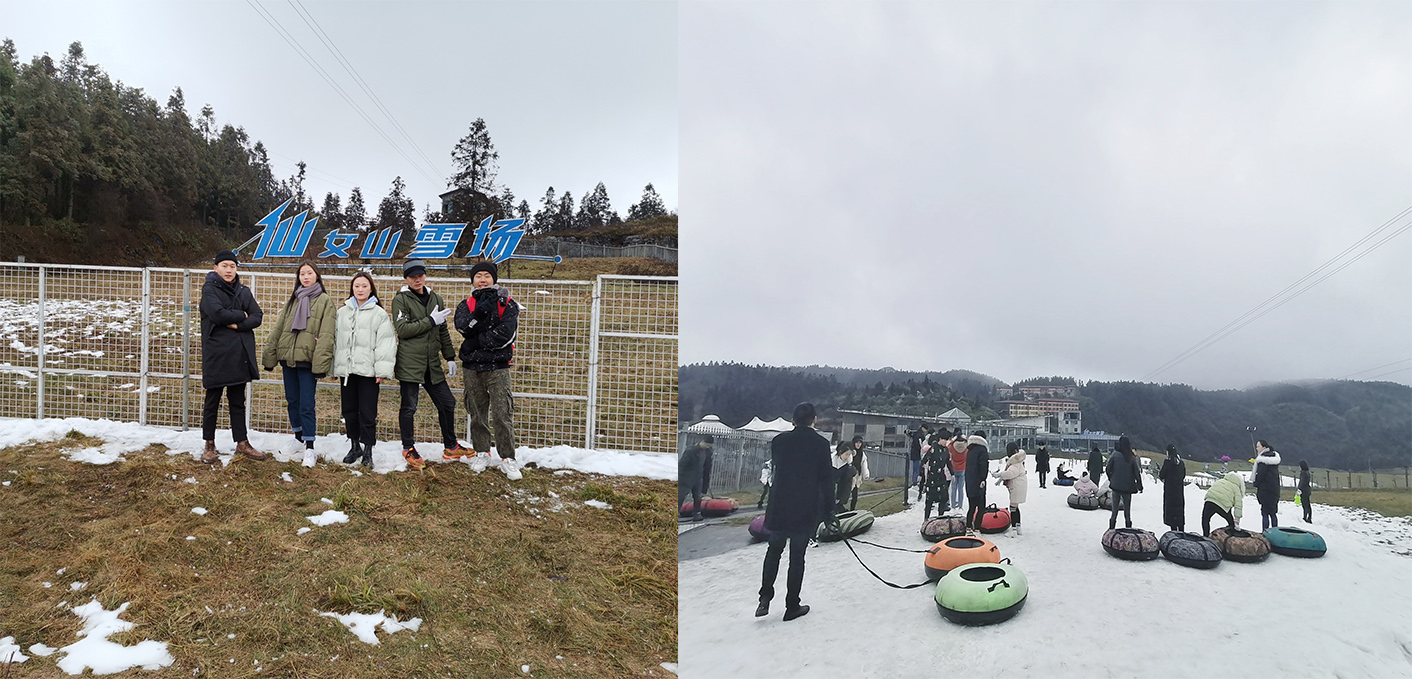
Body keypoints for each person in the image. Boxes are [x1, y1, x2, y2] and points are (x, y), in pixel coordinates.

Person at [757, 403, 833, 622]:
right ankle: (792, 605)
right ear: (814, 420)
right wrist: (829, 510)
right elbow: (826, 481)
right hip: (804, 507)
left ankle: (764, 597)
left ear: (793, 420)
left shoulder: (779, 442)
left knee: (773, 552)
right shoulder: (821, 444)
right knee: (797, 558)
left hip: (780, 505)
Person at [392, 259, 467, 470]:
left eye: (420, 275)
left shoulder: (436, 298)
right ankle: (408, 448)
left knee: (447, 403)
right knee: (409, 407)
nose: (417, 279)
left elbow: (442, 330)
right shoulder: (401, 300)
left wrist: (450, 356)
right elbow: (403, 330)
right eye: (412, 276)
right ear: (406, 278)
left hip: (431, 363)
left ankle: (450, 446)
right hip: (410, 363)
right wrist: (430, 321)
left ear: (425, 275)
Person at [261, 261, 338, 467]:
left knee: (306, 405)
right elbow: (279, 329)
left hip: (308, 361)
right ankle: (297, 438)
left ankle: (310, 447)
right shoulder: (293, 300)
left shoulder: (324, 301)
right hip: (289, 359)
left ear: (317, 276)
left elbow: (327, 334)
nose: (305, 277)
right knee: (292, 401)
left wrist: (320, 365)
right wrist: (270, 356)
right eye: (302, 273)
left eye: (309, 273)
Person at [452, 260, 522, 480]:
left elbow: (506, 334)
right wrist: (479, 316)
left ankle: (508, 457)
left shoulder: (507, 304)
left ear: (494, 279)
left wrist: (476, 341)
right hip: (472, 368)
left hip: (498, 366)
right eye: (478, 276)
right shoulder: (467, 305)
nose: (482, 280)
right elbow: (463, 327)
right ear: (472, 280)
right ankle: (482, 452)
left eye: (487, 276)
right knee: (477, 412)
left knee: (502, 412)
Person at [198, 251, 265, 464]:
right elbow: (216, 314)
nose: (229, 270)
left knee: (238, 401)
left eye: (233, 266)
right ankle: (209, 444)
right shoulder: (209, 290)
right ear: (216, 267)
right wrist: (241, 314)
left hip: (239, 355)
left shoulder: (243, 291)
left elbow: (257, 316)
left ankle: (242, 443)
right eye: (225, 265)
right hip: (217, 355)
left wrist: (237, 323)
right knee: (213, 401)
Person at [331, 271, 396, 469]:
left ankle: (368, 450)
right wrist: (335, 367)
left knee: (367, 413)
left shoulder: (379, 314)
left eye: (364, 286)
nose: (360, 289)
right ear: (352, 288)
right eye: (357, 286)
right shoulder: (343, 312)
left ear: (371, 289)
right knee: (349, 411)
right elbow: (336, 341)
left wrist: (381, 371)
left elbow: (386, 343)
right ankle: (354, 446)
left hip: (368, 373)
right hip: (348, 372)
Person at [1105, 436, 1143, 530]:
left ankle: (1111, 530)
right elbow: (1136, 473)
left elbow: (1107, 469)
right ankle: (1128, 529)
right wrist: (1139, 485)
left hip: (1115, 486)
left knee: (1114, 511)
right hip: (1128, 487)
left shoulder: (1115, 454)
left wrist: (1111, 478)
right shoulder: (1131, 457)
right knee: (1127, 511)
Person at [992, 442, 1027, 536]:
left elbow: (1010, 473)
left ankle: (1014, 529)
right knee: (1015, 507)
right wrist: (1000, 479)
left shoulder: (1015, 462)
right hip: (1018, 486)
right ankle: (1018, 527)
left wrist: (999, 475)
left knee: (1013, 508)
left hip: (1016, 487)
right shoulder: (1018, 460)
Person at [679, 435, 713, 521]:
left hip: (699, 477)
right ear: (702, 442)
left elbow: (707, 467)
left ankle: (697, 513)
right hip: (687, 477)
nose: (707, 447)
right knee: (681, 495)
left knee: (698, 496)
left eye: (709, 446)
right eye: (706, 444)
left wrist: (706, 482)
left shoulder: (708, 452)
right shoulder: (691, 451)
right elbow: (682, 464)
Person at [919, 437, 953, 521]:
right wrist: (921, 473)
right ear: (940, 439)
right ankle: (926, 518)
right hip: (932, 477)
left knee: (943, 498)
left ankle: (940, 517)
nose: (945, 442)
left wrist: (953, 473)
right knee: (929, 499)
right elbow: (924, 460)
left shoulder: (946, 450)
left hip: (941, 476)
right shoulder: (933, 449)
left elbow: (948, 462)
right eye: (944, 440)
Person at [1203, 472, 1245, 536]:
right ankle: (1231, 537)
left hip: (1210, 501)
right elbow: (1238, 505)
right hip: (1223, 505)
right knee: (1231, 523)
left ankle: (1205, 536)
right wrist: (1237, 519)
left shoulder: (1220, 481)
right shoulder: (1236, 488)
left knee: (1205, 519)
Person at [963, 430, 990, 531]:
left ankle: (969, 526)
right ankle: (977, 527)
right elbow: (983, 465)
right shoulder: (982, 450)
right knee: (981, 507)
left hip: (970, 481)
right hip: (979, 482)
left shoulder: (970, 449)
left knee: (972, 507)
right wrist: (983, 478)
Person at [1252, 439, 1282, 530]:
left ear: (1264, 447)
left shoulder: (1263, 460)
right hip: (1275, 490)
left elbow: (1261, 475)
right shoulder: (1274, 458)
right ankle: (1275, 532)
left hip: (1265, 490)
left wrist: (1256, 483)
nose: (1257, 448)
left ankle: (1265, 533)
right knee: (1273, 513)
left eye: (1258, 446)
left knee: (1265, 513)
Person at [1158, 444, 1187, 532]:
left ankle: (1174, 533)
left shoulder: (1168, 462)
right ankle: (1182, 532)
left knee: (1172, 513)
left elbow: (1161, 475)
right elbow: (1183, 475)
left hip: (1170, 492)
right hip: (1179, 491)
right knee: (1179, 512)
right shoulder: (1181, 463)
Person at [831, 441, 856, 513]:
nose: (847, 457)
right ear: (840, 453)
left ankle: (839, 504)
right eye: (846, 454)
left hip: (841, 491)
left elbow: (849, 479)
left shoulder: (848, 465)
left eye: (849, 454)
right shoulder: (832, 461)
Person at [907, 424, 931, 499]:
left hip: (913, 454)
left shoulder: (916, 434)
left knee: (915, 469)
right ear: (923, 428)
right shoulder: (920, 436)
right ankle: (915, 483)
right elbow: (921, 446)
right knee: (917, 469)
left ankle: (914, 482)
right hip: (918, 454)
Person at [948, 430, 968, 512]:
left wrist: (953, 439)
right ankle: (960, 505)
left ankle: (953, 505)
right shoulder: (966, 446)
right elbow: (969, 442)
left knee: (953, 488)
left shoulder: (952, 446)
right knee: (961, 488)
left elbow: (948, 445)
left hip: (953, 468)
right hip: (963, 468)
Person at [847, 435, 870, 510]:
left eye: (860, 442)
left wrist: (865, 474)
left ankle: (852, 510)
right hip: (849, 476)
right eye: (856, 442)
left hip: (857, 477)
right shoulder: (850, 452)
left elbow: (864, 464)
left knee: (855, 496)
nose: (858, 444)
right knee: (845, 495)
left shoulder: (862, 454)